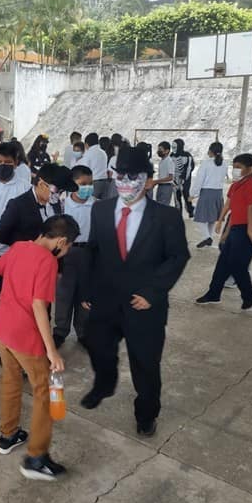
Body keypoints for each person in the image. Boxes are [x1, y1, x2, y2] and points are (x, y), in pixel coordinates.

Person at [80, 146, 190, 439]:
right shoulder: (101, 210)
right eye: (120, 175)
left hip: (145, 305)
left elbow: (178, 257)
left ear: (148, 179)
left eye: (134, 176)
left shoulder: (166, 217)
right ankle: (104, 384)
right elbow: (94, 250)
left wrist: (154, 292)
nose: (126, 182)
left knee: (145, 364)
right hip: (107, 300)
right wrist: (89, 290)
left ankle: (146, 414)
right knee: (98, 347)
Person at [0, 215, 78, 480]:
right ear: (61, 242)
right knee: (46, 391)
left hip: (2, 330)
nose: (64, 253)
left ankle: (8, 435)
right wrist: (52, 351)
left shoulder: (18, 247)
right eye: (66, 248)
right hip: (23, 336)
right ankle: (36, 458)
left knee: (10, 379)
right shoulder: (48, 261)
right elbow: (39, 306)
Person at [196, 153, 252, 309]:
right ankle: (213, 293)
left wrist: (250, 232)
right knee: (223, 261)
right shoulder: (236, 185)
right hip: (237, 226)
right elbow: (233, 210)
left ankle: (249, 294)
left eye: (238, 167)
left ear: (250, 169)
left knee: (237, 263)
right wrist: (225, 230)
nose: (235, 170)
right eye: (234, 167)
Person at [53, 165, 95, 348]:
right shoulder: (61, 204)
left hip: (88, 253)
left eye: (90, 184)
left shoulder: (97, 204)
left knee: (85, 294)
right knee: (64, 294)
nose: (87, 187)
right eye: (83, 184)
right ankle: (60, 331)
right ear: (73, 184)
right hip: (66, 254)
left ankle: (84, 332)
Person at [0, 163, 77, 250]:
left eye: (62, 192)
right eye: (56, 191)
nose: (58, 195)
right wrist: (28, 245)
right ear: (41, 184)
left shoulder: (56, 203)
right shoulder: (18, 205)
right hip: (28, 257)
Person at [190, 141, 227, 248]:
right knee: (212, 218)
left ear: (210, 151)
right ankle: (208, 239)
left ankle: (207, 237)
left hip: (207, 192)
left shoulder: (206, 163)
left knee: (199, 216)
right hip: (218, 193)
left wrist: (193, 193)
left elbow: (199, 180)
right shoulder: (224, 164)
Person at [80, 133, 109, 199]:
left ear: (86, 144)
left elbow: (84, 170)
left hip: (94, 183)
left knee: (90, 205)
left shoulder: (88, 154)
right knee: (102, 205)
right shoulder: (103, 152)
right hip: (105, 182)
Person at [171, 138, 194, 218]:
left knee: (186, 195)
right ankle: (178, 214)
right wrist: (173, 178)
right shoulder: (171, 155)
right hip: (175, 179)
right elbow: (170, 168)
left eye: (175, 147)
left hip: (185, 180)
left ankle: (190, 210)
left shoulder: (187, 155)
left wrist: (185, 178)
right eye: (172, 147)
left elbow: (190, 168)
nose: (173, 149)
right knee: (176, 197)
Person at [153, 141, 174, 206]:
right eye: (158, 149)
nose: (158, 151)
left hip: (166, 187)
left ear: (167, 151)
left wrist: (156, 181)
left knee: (163, 206)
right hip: (160, 186)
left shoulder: (169, 161)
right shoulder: (162, 161)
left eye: (160, 149)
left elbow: (170, 177)